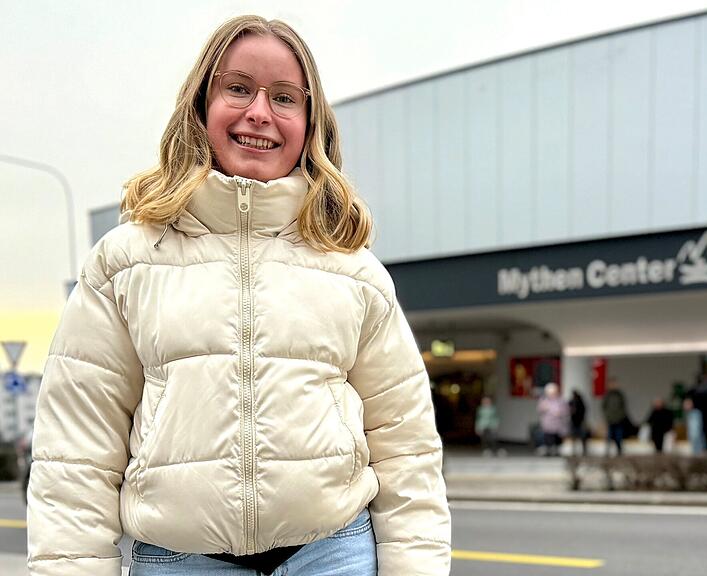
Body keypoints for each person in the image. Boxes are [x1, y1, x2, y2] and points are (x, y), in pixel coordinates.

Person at [26, 16, 450, 576]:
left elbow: (406, 445)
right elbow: (76, 448)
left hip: (332, 555)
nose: (259, 112)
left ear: (310, 123)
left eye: (284, 97)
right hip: (180, 562)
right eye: (238, 88)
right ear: (202, 105)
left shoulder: (354, 269)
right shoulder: (126, 261)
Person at [537, 383, 569, 457]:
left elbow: (566, 410)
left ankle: (556, 451)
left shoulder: (561, 401)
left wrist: (560, 413)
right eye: (550, 393)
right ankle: (549, 450)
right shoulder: (544, 400)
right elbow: (540, 409)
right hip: (548, 425)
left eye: (553, 392)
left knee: (557, 439)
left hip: (558, 425)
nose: (552, 394)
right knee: (548, 438)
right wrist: (544, 408)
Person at [602, 378, 629, 456]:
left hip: (619, 419)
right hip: (610, 419)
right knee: (609, 436)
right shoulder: (607, 395)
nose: (613, 385)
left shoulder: (620, 395)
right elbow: (604, 406)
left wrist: (621, 416)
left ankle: (619, 450)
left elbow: (623, 406)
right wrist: (607, 416)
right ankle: (607, 451)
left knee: (618, 436)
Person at [569, 390, 589, 456]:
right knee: (574, 437)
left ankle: (584, 450)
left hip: (580, 422)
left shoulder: (580, 402)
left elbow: (583, 411)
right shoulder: (571, 402)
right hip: (574, 422)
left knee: (582, 437)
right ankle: (574, 450)